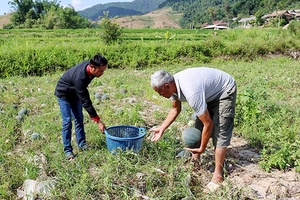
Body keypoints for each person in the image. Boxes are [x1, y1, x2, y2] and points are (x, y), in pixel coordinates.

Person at [149, 67, 237, 192]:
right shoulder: (174, 86)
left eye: (160, 92)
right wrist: (162, 128)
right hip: (209, 92)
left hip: (224, 90)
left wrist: (202, 147)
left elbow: (209, 124)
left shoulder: (191, 91)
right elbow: (175, 109)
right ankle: (195, 159)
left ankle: (218, 176)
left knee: (220, 132)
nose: (160, 95)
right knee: (198, 128)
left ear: (167, 86)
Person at [54, 53, 108, 160]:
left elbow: (82, 94)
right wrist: (98, 121)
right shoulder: (80, 77)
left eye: (104, 70)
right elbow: (85, 101)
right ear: (92, 67)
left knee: (79, 118)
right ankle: (68, 150)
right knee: (67, 121)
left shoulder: (90, 68)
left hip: (75, 92)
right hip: (64, 93)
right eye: (101, 71)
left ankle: (82, 144)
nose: (102, 73)